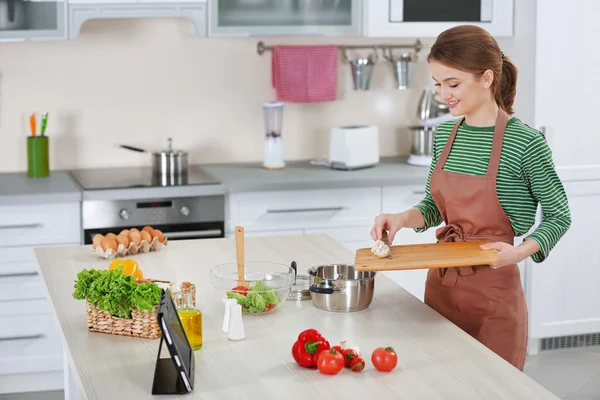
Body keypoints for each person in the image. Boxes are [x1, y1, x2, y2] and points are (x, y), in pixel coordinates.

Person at [370, 25, 571, 371]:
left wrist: (519, 252)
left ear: (487, 78)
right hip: (441, 286)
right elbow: (434, 208)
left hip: (493, 297)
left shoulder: (525, 143)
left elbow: (559, 215)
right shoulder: (445, 133)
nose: (443, 94)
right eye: (438, 84)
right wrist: (402, 218)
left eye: (453, 84)